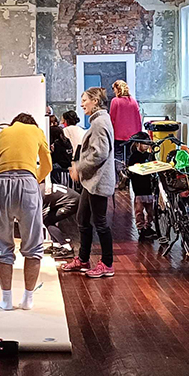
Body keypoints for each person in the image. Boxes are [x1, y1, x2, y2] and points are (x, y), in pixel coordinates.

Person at [0, 113, 52, 310]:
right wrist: (35, 179)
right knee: (33, 244)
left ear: (14, 122)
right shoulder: (36, 131)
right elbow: (47, 164)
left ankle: (6, 300)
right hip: (27, 183)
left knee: (1, 244)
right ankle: (27, 299)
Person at [61, 87, 116, 279]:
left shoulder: (100, 122)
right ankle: (83, 259)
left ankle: (107, 264)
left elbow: (99, 153)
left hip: (98, 181)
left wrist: (79, 167)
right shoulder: (98, 121)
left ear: (95, 101)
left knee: (100, 222)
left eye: (84, 100)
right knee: (82, 219)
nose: (82, 103)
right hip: (91, 181)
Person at [124, 131, 157, 239]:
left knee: (151, 210)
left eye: (148, 144)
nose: (146, 146)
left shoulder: (150, 155)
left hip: (149, 187)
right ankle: (141, 228)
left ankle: (148, 227)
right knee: (139, 211)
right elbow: (130, 170)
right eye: (144, 144)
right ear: (138, 144)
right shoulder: (134, 156)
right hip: (138, 188)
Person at [109, 80, 142, 175]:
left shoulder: (115, 101)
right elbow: (138, 118)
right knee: (130, 156)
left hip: (118, 135)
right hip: (132, 135)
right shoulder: (133, 101)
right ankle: (129, 177)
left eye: (114, 89)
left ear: (117, 89)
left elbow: (112, 118)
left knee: (118, 157)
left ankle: (120, 177)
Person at [43, 184, 79, 259]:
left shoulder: (38, 195)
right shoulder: (40, 188)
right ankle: (57, 245)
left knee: (47, 220)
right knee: (48, 218)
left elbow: (40, 214)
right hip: (69, 199)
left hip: (72, 201)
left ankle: (67, 248)